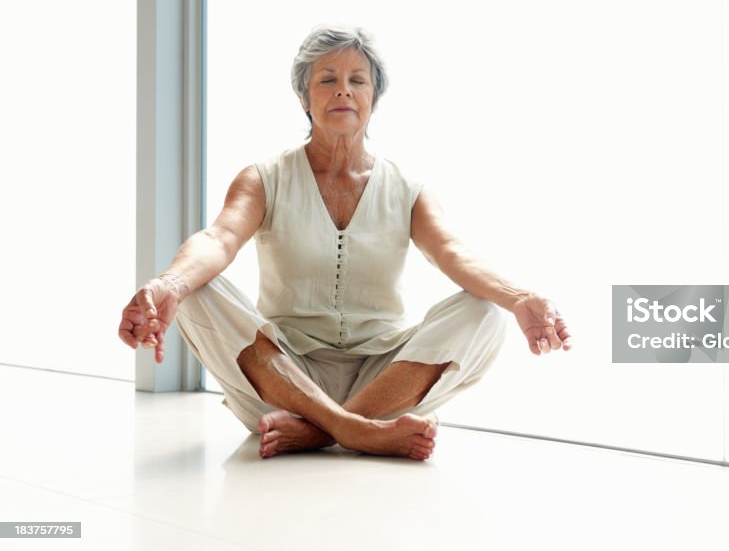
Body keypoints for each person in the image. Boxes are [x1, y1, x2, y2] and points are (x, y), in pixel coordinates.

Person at [118, 24, 572, 461]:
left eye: (357, 80)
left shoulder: (406, 188)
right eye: (327, 80)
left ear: (374, 97)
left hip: (383, 378)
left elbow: (452, 252)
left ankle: (323, 430)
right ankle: (360, 432)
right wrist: (170, 286)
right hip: (282, 378)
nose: (343, 90)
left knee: (484, 311)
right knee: (200, 289)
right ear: (303, 97)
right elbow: (219, 238)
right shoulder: (263, 178)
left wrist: (521, 299)